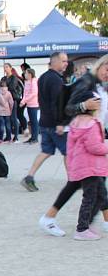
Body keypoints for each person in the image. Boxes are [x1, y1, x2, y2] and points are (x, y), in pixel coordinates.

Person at [37, 56, 108, 236]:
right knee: (84, 181)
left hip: (95, 133)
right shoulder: (86, 82)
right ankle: (71, 223)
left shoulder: (102, 85)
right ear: (99, 67)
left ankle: (88, 222)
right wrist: (85, 105)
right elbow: (68, 109)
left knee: (95, 182)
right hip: (83, 133)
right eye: (106, 69)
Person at [21, 52, 75, 192]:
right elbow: (57, 103)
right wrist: (60, 123)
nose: (66, 64)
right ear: (55, 62)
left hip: (44, 121)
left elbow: (43, 100)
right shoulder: (56, 80)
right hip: (55, 123)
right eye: (63, 61)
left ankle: (29, 176)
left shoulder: (43, 77)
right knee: (67, 152)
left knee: (46, 151)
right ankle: (72, 181)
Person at [66, 95, 108, 241]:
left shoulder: (77, 123)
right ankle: (81, 229)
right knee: (90, 197)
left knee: (101, 195)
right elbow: (95, 147)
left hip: (86, 166)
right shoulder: (91, 124)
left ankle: (88, 224)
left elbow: (70, 148)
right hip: (90, 167)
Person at [3, 63, 24, 142]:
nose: (5, 69)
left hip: (13, 99)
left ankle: (16, 136)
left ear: (11, 68)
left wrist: (4, 87)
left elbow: (11, 87)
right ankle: (8, 136)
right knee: (6, 118)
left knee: (13, 118)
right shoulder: (3, 78)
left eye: (7, 67)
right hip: (4, 101)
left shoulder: (14, 78)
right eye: (4, 67)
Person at [20, 68, 39, 144]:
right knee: (31, 121)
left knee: (34, 121)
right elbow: (25, 93)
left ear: (30, 74)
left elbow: (34, 93)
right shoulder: (27, 82)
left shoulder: (34, 81)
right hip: (28, 104)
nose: (25, 75)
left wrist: (24, 101)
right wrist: (23, 101)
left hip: (34, 104)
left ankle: (35, 138)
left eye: (26, 73)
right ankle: (32, 137)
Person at [0, 78, 15, 144]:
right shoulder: (8, 93)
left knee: (1, 125)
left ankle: (1, 139)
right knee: (8, 125)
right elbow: (11, 102)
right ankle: (9, 138)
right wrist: (11, 109)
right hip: (7, 110)